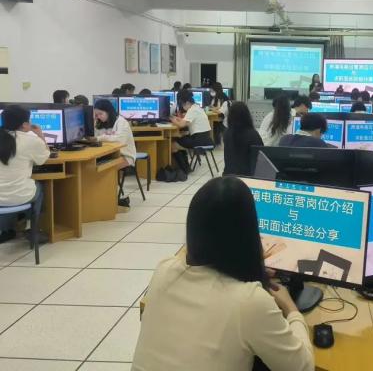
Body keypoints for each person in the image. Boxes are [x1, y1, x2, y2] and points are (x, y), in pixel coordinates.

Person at [131, 177, 314, 371]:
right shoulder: (250, 302)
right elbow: (303, 367)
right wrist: (291, 309)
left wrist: (251, 269)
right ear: (248, 233)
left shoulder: (164, 269)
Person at [0, 106, 50, 244]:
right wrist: (40, 135)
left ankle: (6, 230)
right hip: (20, 196)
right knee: (39, 187)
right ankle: (32, 229)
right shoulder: (30, 141)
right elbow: (43, 158)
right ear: (24, 124)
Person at [222, 103, 263, 176]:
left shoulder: (227, 133)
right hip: (248, 177)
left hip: (228, 175)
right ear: (247, 116)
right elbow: (261, 157)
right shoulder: (253, 134)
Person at [93, 99, 137, 167]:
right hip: (107, 153)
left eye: (100, 114)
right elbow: (94, 138)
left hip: (125, 155)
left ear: (108, 112)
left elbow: (120, 140)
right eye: (96, 115)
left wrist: (101, 138)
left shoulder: (121, 122)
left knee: (105, 168)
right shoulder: (99, 123)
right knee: (91, 166)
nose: (98, 117)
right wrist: (93, 122)